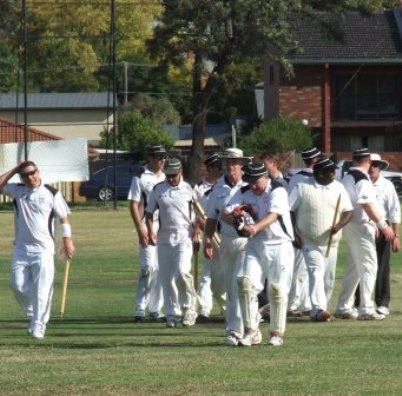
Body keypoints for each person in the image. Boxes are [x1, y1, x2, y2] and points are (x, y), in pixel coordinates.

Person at [0, 161, 75, 339]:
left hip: (44, 250)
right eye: (25, 175)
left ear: (38, 172)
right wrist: (14, 170)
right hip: (21, 249)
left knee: (42, 289)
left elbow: (64, 219)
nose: (30, 177)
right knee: (17, 285)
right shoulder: (17, 190)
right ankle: (33, 312)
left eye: (32, 173)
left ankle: (38, 326)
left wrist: (68, 243)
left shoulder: (52, 193)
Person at [226, 162, 294, 346]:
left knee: (277, 289)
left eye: (256, 182)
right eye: (249, 181)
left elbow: (273, 216)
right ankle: (251, 331)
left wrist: (255, 227)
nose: (252, 186)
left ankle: (276, 333)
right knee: (245, 283)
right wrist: (236, 214)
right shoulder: (244, 191)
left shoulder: (277, 190)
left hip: (280, 244)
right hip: (255, 244)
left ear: (265, 177)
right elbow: (227, 211)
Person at [289, 156, 353, 322]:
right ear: (318, 173)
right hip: (309, 240)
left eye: (333, 171)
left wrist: (339, 225)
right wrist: (293, 233)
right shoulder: (302, 187)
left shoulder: (339, 188)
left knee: (328, 278)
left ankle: (319, 310)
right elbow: (289, 210)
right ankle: (318, 309)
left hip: (331, 243)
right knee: (316, 273)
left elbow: (348, 212)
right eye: (329, 172)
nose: (333, 174)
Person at [335, 148, 394, 321]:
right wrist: (383, 225)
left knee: (354, 268)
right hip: (360, 225)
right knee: (369, 266)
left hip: (353, 224)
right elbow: (367, 204)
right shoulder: (361, 178)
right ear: (367, 160)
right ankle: (366, 308)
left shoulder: (347, 176)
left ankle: (344, 306)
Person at [203, 147, 250, 346]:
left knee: (242, 284)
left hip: (249, 241)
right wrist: (207, 240)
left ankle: (243, 329)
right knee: (229, 288)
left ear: (241, 164)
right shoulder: (218, 188)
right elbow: (211, 217)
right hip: (226, 241)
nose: (230, 166)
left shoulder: (250, 184)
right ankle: (237, 329)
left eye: (234, 162)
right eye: (227, 162)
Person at [145, 157, 198, 328]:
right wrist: (150, 232)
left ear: (180, 172)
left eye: (173, 175)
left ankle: (189, 308)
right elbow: (149, 213)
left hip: (185, 236)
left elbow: (199, 214)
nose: (170, 179)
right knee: (167, 278)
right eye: (168, 175)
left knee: (182, 272)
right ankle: (172, 313)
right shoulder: (158, 189)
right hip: (164, 238)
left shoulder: (189, 188)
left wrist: (197, 232)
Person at [355, 153, 400, 316]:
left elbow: (394, 210)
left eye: (376, 164)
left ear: (380, 167)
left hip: (382, 228)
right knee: (361, 264)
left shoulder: (386, 185)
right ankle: (359, 302)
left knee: (382, 266)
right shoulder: (361, 182)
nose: (373, 167)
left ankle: (382, 303)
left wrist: (395, 235)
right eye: (371, 164)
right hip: (363, 227)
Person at [127, 145, 166, 322]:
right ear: (150, 157)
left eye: (164, 157)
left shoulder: (168, 176)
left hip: (164, 227)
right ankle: (140, 307)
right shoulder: (141, 176)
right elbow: (134, 204)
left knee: (160, 268)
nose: (162, 160)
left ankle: (156, 308)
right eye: (158, 157)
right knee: (147, 267)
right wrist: (140, 229)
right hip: (146, 224)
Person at [287, 146, 322, 316]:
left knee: (310, 269)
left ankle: (305, 302)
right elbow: (291, 207)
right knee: (299, 268)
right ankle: (294, 304)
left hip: (307, 227)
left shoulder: (298, 178)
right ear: (314, 161)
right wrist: (294, 232)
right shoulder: (300, 179)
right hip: (300, 227)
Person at [193, 153, 226, 318]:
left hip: (225, 232)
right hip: (209, 233)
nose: (220, 170)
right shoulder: (199, 188)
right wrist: (197, 229)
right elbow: (194, 212)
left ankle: (226, 306)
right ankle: (205, 307)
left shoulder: (224, 185)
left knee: (226, 270)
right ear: (210, 168)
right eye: (217, 167)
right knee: (208, 272)